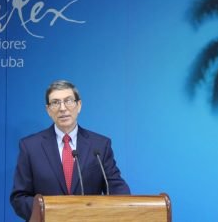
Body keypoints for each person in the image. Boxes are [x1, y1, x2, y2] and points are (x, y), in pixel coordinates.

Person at [10, 80, 130, 220]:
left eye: (68, 101)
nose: (62, 108)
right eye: (55, 103)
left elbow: (116, 188)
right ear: (48, 110)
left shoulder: (100, 145)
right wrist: (50, 211)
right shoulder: (30, 147)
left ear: (79, 105)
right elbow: (19, 197)